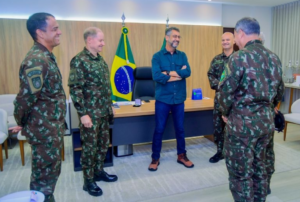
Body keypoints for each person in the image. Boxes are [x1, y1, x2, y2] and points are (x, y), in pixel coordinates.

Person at [217, 17, 284, 201]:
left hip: (241, 127)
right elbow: (280, 94)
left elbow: (224, 93)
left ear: (241, 33)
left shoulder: (238, 58)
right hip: (265, 125)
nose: (236, 41)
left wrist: (225, 113)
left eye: (236, 36)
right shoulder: (274, 57)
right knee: (260, 169)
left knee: (241, 174)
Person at [10, 12, 66, 202]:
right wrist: (22, 121)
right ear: (40, 33)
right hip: (44, 132)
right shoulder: (37, 60)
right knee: (43, 182)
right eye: (55, 28)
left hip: (50, 129)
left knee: (49, 176)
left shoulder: (46, 57)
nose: (59, 32)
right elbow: (24, 99)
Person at [68, 27, 117, 197]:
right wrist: (83, 114)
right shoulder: (79, 60)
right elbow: (75, 89)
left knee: (103, 146)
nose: (103, 43)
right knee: (89, 148)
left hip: (103, 112)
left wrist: (109, 107)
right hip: (90, 115)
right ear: (90, 40)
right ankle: (88, 181)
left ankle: (98, 171)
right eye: (100, 40)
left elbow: (105, 88)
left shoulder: (100, 60)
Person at [149, 27, 193, 171]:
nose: (177, 39)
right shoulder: (157, 56)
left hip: (179, 99)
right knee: (159, 129)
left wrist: (167, 74)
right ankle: (155, 158)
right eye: (174, 36)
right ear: (166, 38)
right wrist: (177, 75)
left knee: (180, 129)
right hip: (163, 99)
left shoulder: (182, 55)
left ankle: (182, 155)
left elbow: (188, 72)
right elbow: (157, 76)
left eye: (179, 37)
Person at [207, 32, 235, 163]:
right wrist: (220, 86)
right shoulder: (217, 59)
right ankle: (220, 151)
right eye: (223, 40)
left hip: (235, 102)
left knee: (234, 127)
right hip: (219, 99)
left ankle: (234, 153)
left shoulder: (239, 59)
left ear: (234, 41)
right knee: (218, 127)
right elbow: (210, 74)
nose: (225, 42)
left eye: (228, 40)